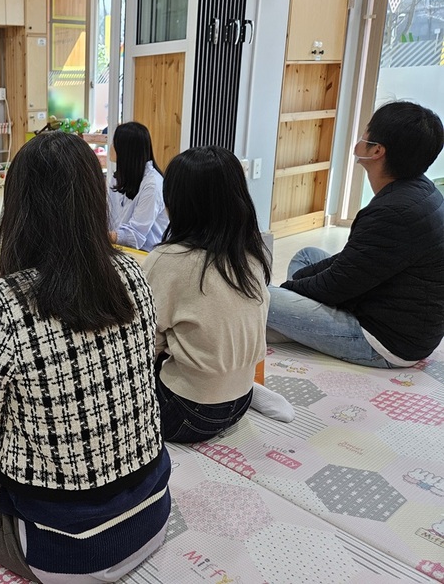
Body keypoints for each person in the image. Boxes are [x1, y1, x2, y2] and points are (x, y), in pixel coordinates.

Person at [0, 132, 170, 584]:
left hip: (61, 547)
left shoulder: (3, 302)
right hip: (151, 513)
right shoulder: (133, 275)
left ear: (18, 207)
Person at [267, 101, 444, 367]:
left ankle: (289, 326)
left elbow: (339, 283)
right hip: (397, 315)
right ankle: (292, 325)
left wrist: (289, 293)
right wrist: (298, 294)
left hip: (384, 340)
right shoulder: (420, 189)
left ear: (376, 150)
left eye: (366, 133)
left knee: (258, 296)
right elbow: (352, 264)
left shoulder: (393, 213)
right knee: (307, 256)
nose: (361, 137)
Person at [142, 146, 293, 443]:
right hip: (240, 400)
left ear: (177, 202)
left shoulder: (168, 259)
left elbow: (145, 343)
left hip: (185, 413)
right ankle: (241, 387)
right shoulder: (250, 252)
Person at [107, 121, 169, 251]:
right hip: (122, 250)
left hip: (148, 255)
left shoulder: (152, 184)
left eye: (114, 143)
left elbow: (135, 235)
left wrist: (101, 237)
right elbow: (109, 219)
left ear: (125, 150)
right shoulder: (117, 178)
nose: (111, 147)